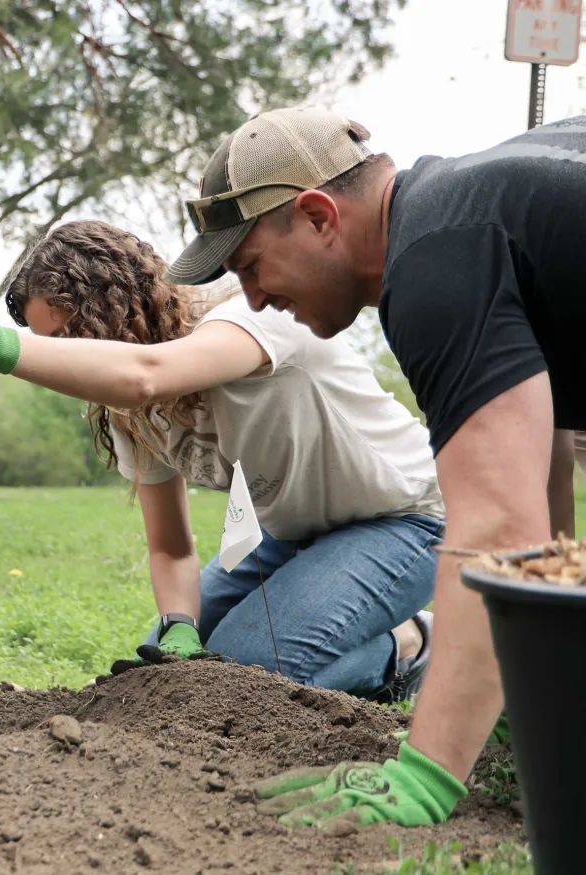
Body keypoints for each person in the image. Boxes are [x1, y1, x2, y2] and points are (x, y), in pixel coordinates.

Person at [161, 106, 586, 829]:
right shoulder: (472, 207)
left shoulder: (436, 261)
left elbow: (497, 526)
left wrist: (427, 771)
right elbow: (540, 497)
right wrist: (529, 692)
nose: (255, 297)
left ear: (320, 215)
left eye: (251, 266)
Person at [0, 220, 444, 703]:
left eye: (66, 336)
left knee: (242, 670)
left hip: (403, 519)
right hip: (293, 533)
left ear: (112, 302)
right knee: (162, 670)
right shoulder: (125, 411)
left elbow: (147, 372)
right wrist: (179, 623)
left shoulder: (254, 312)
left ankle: (408, 647)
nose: (63, 357)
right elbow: (171, 544)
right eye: (50, 343)